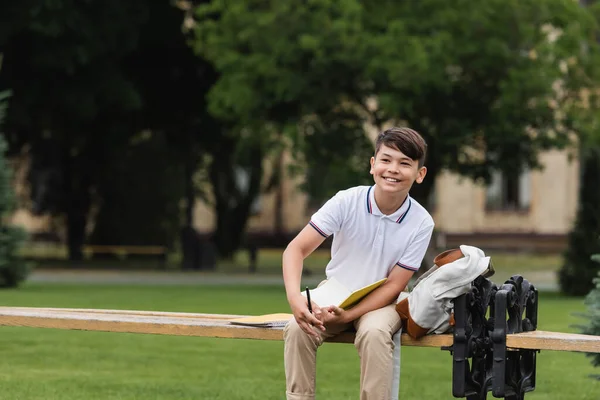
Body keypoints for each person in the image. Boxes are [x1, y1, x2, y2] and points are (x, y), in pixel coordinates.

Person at [282, 127, 435, 400]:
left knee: (374, 333)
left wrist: (349, 316)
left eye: (405, 163)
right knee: (297, 327)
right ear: (372, 164)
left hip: (384, 301)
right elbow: (295, 250)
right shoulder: (346, 201)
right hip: (336, 293)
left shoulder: (421, 222)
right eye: (386, 160)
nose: (393, 169)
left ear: (420, 174)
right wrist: (296, 301)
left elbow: (395, 284)